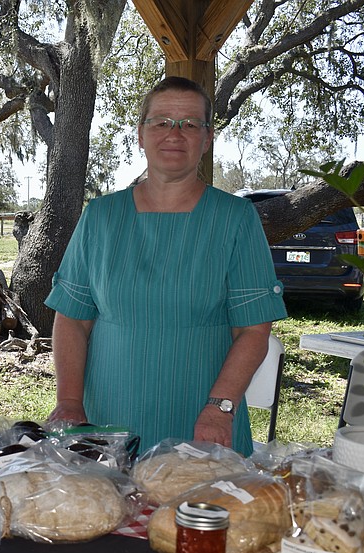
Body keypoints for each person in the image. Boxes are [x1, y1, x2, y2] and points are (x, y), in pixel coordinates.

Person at [45, 76, 287, 456]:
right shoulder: (101, 218)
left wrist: (220, 408)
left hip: (202, 425)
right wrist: (71, 402)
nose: (175, 134)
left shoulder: (236, 219)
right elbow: (72, 318)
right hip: (105, 424)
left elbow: (254, 331)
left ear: (207, 139)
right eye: (161, 122)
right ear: (140, 135)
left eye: (190, 124)